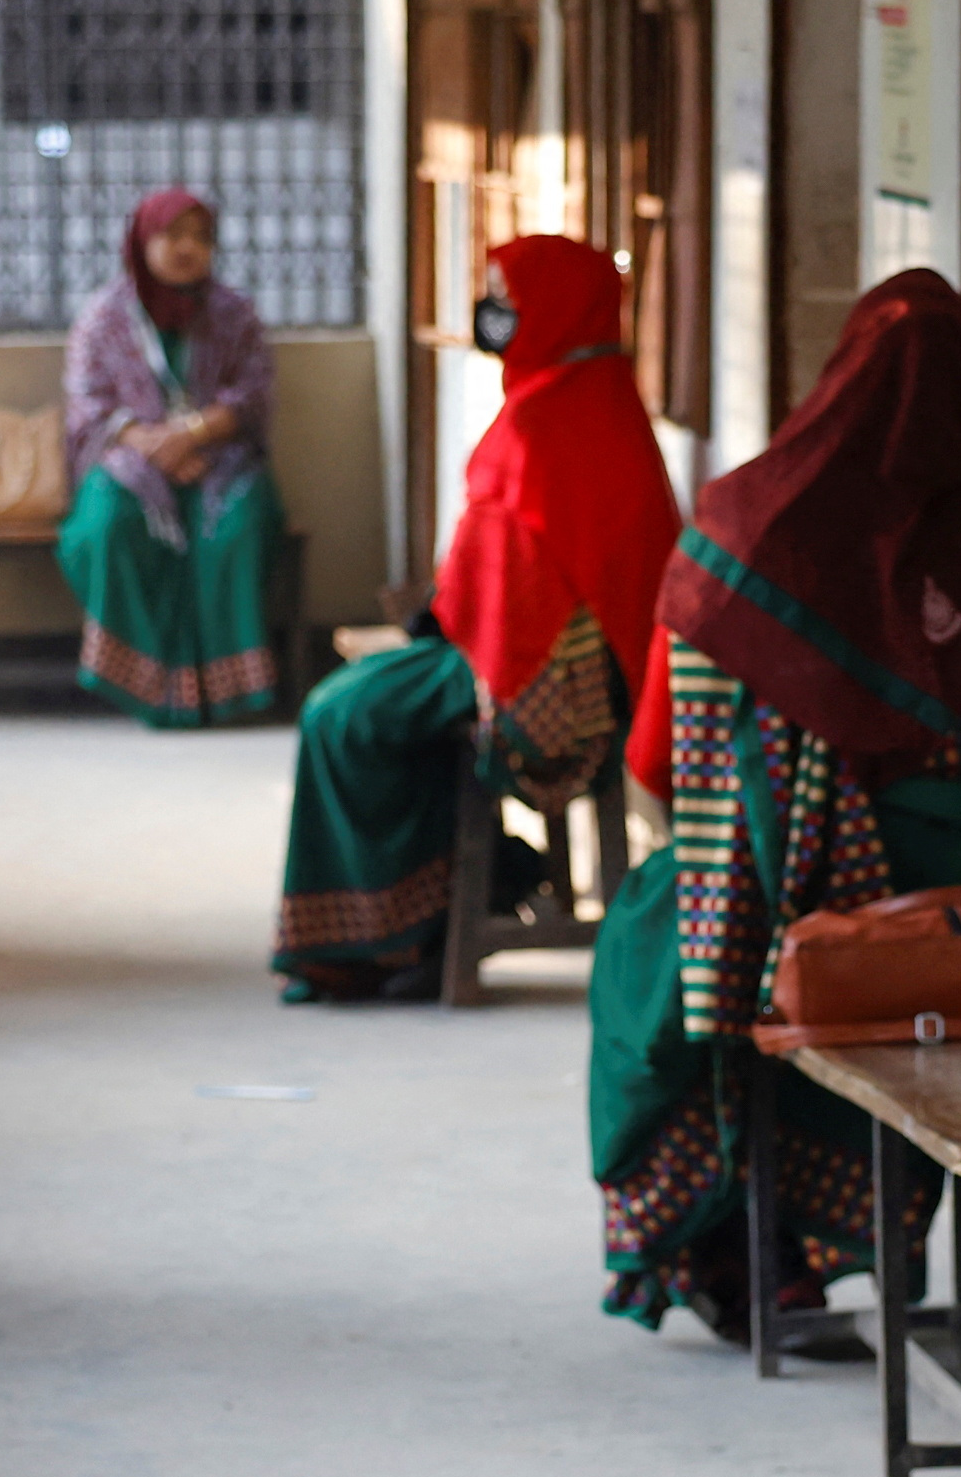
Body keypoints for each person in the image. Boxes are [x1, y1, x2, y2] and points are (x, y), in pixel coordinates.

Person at [586, 271, 961, 1343]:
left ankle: (741, 1249)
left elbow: (657, 762)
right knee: (872, 939)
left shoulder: (736, 538)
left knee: (655, 937)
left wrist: (789, 809)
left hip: (779, 925)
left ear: (833, 379)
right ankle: (854, 1234)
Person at [272, 235, 686, 1004]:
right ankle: (431, 914)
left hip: (539, 676)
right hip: (512, 654)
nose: (494, 310)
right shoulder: (580, 398)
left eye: (508, 294)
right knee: (363, 708)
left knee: (343, 715)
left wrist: (446, 622)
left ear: (556, 309)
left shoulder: (557, 423)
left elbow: (516, 589)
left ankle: (379, 939)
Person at [54, 189, 287, 727]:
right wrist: (155, 444)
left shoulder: (235, 313)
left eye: (200, 237)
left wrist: (195, 432)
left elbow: (254, 392)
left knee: (240, 525)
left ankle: (228, 690)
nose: (187, 248)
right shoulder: (105, 316)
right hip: (131, 459)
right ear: (142, 240)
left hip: (218, 458)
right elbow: (88, 405)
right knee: (108, 525)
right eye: (172, 235)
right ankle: (146, 687)